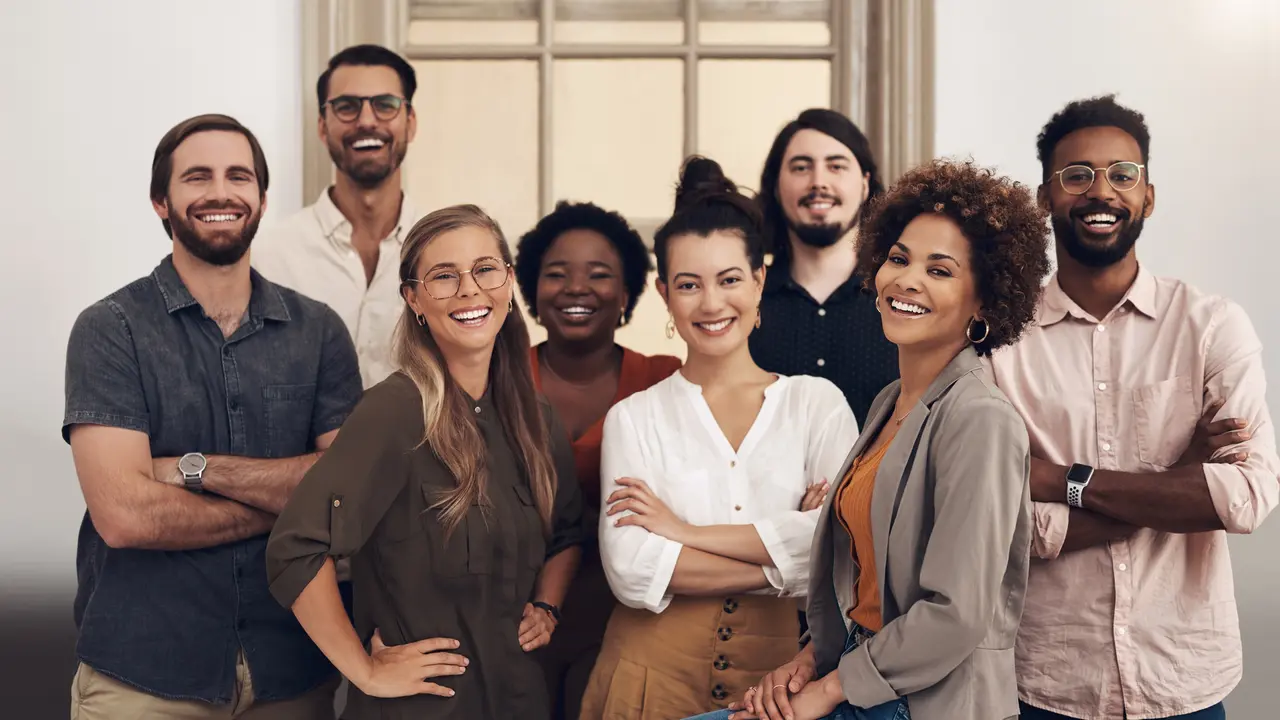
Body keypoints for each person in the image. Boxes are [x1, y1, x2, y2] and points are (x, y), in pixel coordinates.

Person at [727, 159, 1052, 720]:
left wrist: (827, 692)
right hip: (860, 674)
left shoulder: (980, 418)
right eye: (899, 258)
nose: (908, 280)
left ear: (984, 302)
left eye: (940, 270)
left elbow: (956, 613)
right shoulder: (888, 402)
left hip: (923, 703)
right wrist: (809, 663)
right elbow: (872, 587)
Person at [63, 114, 363, 718]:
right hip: (144, 676)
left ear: (260, 199)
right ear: (161, 203)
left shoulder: (319, 332)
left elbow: (348, 496)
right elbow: (124, 517)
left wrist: (193, 470)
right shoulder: (110, 329)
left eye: (239, 177)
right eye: (197, 177)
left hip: (292, 672)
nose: (220, 193)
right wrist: (287, 507)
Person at [991, 95, 1279, 720]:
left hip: (1184, 679)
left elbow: (1249, 495)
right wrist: (1176, 485)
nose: (1102, 192)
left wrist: (1060, 481)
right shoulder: (1000, 343)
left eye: (1123, 174)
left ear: (1149, 195)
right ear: (1045, 197)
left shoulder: (1210, 327)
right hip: (1045, 683)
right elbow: (1001, 524)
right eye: (1078, 175)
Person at [265, 204, 585, 720]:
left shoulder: (534, 417)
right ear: (413, 299)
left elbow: (568, 532)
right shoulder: (394, 412)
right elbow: (295, 549)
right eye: (443, 277)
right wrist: (364, 671)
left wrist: (547, 606)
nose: (469, 290)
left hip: (517, 700)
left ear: (507, 280)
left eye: (485, 269)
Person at [578, 157, 858, 720]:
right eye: (689, 285)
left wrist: (683, 534)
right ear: (664, 294)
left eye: (730, 279)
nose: (711, 304)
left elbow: (846, 553)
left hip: (778, 689)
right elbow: (633, 571)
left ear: (759, 279)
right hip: (644, 681)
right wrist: (789, 560)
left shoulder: (816, 404)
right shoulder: (634, 418)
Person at [513, 201, 683, 720]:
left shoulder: (665, 380)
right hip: (515, 621)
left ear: (628, 291)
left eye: (599, 274)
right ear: (532, 290)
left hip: (629, 624)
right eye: (557, 274)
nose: (576, 288)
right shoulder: (497, 380)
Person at [252, 44, 420, 390]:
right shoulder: (268, 258)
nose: (367, 120)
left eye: (385, 105)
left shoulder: (447, 250)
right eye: (346, 107)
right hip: (306, 447)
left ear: (411, 122)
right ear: (322, 126)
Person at [752, 109, 899, 426]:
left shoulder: (902, 298)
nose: (818, 182)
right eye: (801, 167)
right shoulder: (745, 301)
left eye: (836, 166)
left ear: (864, 185)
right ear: (776, 186)